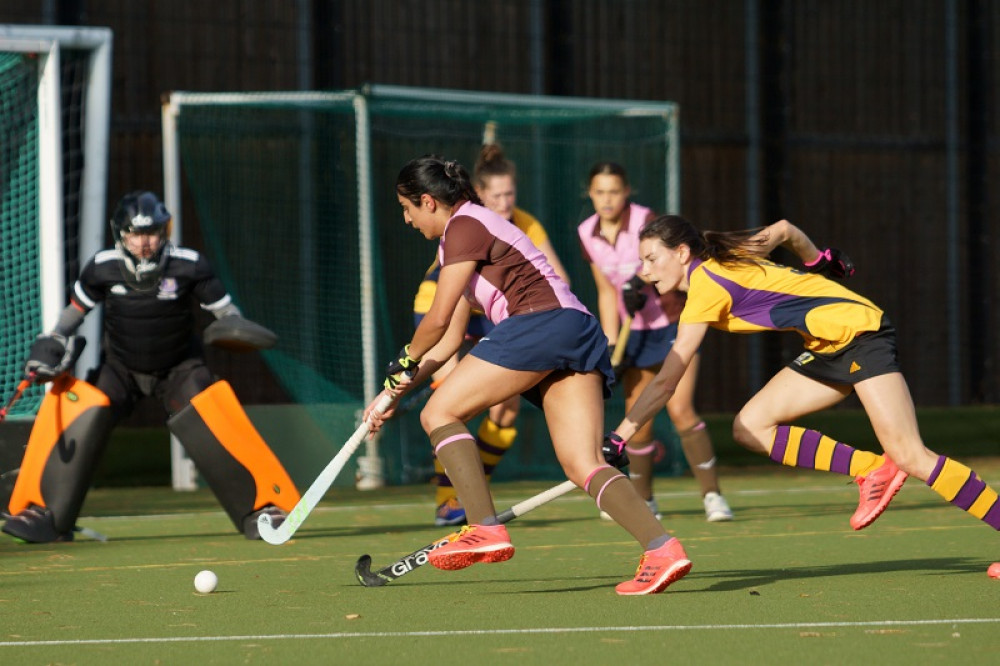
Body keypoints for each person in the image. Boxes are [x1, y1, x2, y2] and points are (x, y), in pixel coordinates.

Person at [367, 155, 692, 595]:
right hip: (573, 331)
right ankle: (662, 548)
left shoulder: (463, 225)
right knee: (583, 463)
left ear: (428, 201)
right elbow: (448, 343)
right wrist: (392, 394)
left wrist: (403, 359)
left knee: (440, 413)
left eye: (406, 208)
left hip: (538, 324)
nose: (406, 219)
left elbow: (437, 319)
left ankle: (483, 526)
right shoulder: (458, 242)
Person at [609, 214, 1000, 577]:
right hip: (826, 345)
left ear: (681, 253)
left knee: (911, 454)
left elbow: (665, 382)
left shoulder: (706, 289)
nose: (644, 272)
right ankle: (869, 468)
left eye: (650, 259)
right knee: (750, 427)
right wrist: (819, 261)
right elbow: (784, 230)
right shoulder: (728, 255)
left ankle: (893, 468)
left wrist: (619, 436)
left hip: (860, 335)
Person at [2, 191, 300, 543]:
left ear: (164, 231)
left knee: (211, 407)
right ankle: (45, 513)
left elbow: (225, 313)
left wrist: (235, 327)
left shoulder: (190, 265)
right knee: (78, 407)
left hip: (178, 369)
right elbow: (73, 314)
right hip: (121, 369)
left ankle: (265, 508)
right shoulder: (102, 266)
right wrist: (52, 339)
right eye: (135, 233)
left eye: (152, 233)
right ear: (120, 233)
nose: (144, 242)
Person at [414, 143, 571, 526]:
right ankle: (447, 500)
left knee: (506, 409)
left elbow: (558, 277)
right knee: (447, 398)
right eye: (496, 194)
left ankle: (474, 489)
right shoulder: (468, 223)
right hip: (444, 305)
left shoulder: (526, 222)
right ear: (479, 193)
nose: (504, 201)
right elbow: (450, 301)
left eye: (510, 193)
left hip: (497, 310)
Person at [578, 162, 732, 522]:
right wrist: (612, 340)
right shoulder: (587, 232)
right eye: (599, 192)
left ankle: (713, 496)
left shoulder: (646, 221)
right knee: (639, 420)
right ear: (590, 194)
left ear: (627, 191)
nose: (607, 199)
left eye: (614, 191)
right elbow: (604, 290)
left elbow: (670, 263)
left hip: (674, 323)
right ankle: (644, 501)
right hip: (634, 335)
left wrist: (639, 284)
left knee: (680, 410)